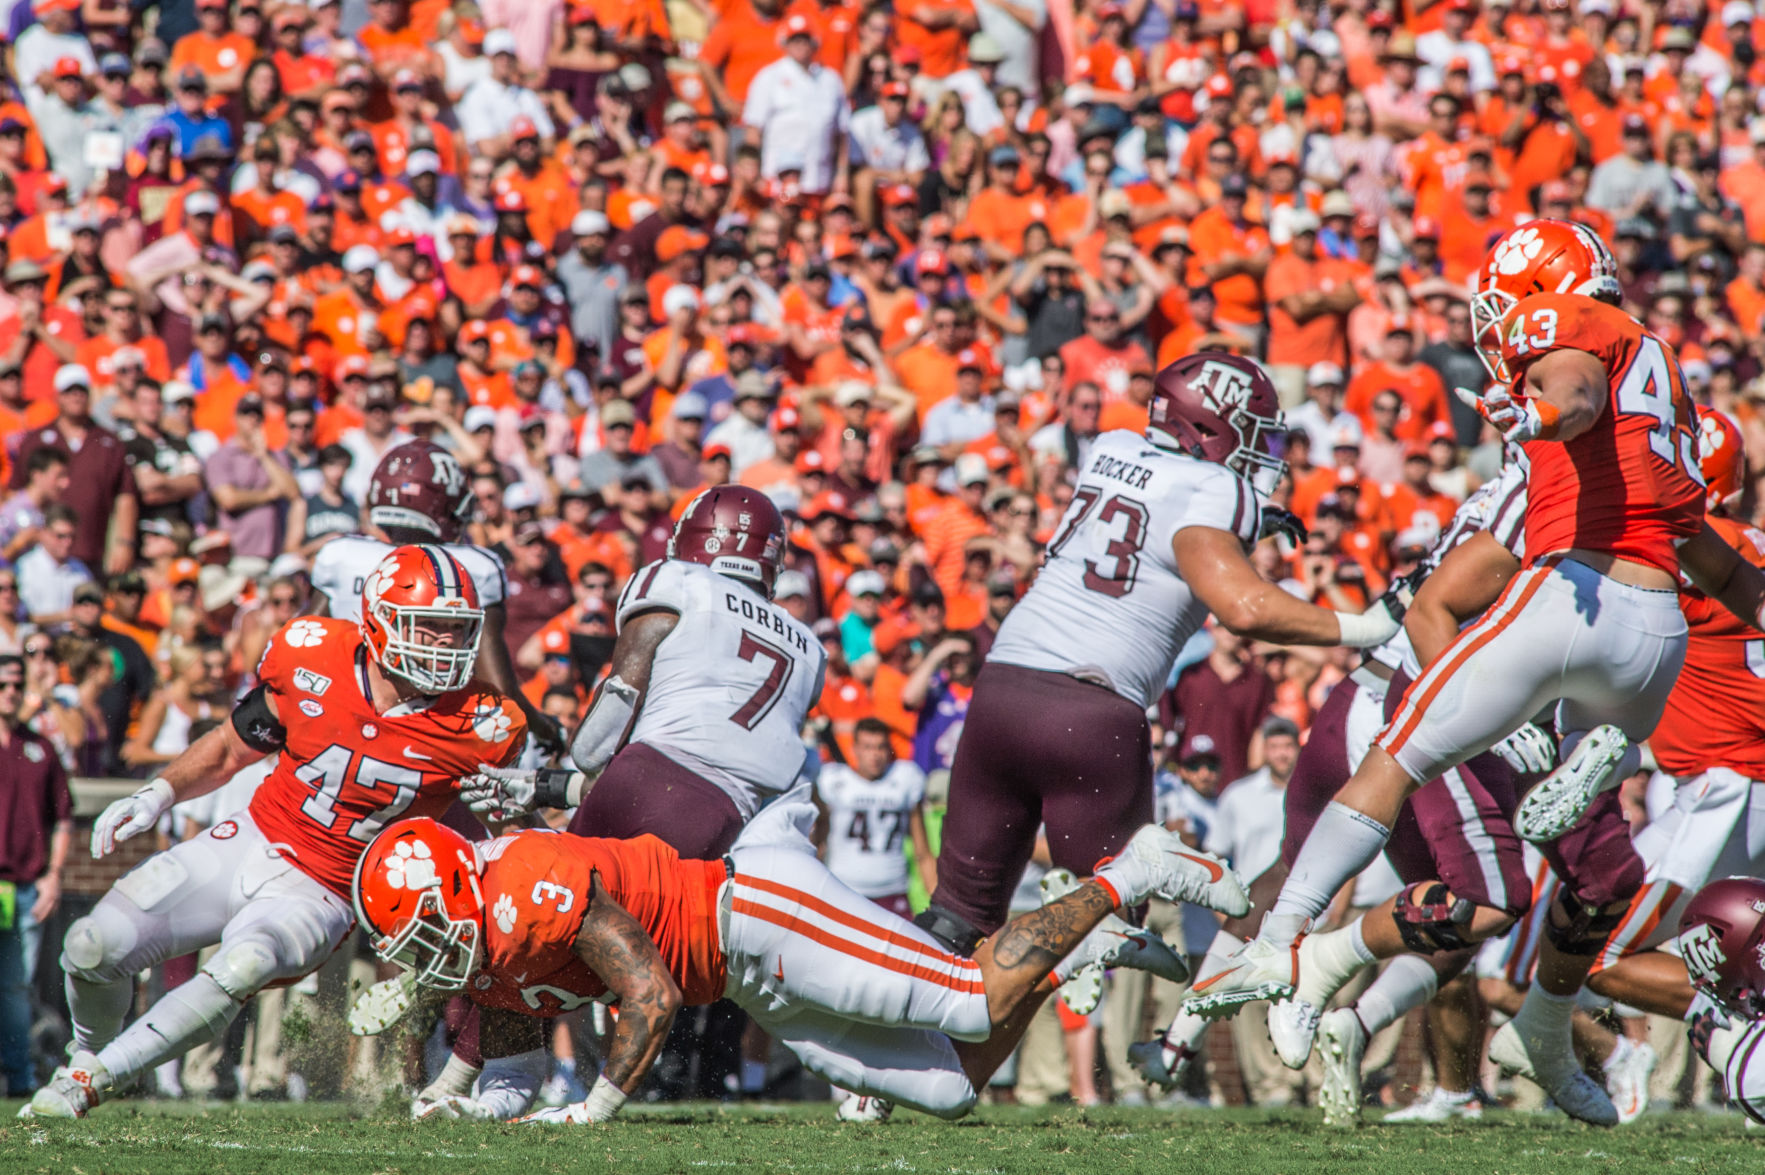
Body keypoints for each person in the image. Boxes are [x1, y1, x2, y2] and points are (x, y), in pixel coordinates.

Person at [1188, 220, 1765, 1125]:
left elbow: (1568, 393)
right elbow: (1715, 563)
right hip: (1654, 633)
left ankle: (1279, 941)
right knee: (1596, 860)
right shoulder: (1663, 375)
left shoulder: (1573, 340)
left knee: (1399, 752)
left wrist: (1536, 410)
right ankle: (1598, 759)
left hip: (1572, 592)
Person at [913, 352, 1407, 963]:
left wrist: (1249, 523)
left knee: (955, 919)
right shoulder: (1214, 486)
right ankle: (1098, 922)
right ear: (1206, 427)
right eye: (1249, 432)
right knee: (1113, 917)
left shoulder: (1111, 447)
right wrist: (1368, 625)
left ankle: (916, 1043)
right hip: (1090, 714)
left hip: (1001, 693)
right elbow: (1245, 608)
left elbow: (1151, 521)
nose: (1258, 451)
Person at [349, 792, 1244, 1122]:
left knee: (968, 1002)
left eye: (431, 925)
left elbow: (651, 995)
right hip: (740, 970)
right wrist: (449, 1096)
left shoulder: (528, 883)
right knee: (947, 1090)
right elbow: (512, 1026)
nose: (432, 950)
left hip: (755, 914)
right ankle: (1060, 953)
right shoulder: (483, 927)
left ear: (460, 883)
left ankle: (1134, 870)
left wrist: (592, 1111)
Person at [20, 545, 526, 1119]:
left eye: (456, 630)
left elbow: (500, 834)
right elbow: (233, 746)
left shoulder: (482, 723)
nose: (445, 644)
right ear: (380, 621)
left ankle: (88, 1085)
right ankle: (84, 1055)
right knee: (91, 945)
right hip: (252, 837)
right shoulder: (312, 653)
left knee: (246, 962)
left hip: (328, 889)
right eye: (428, 626)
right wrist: (158, 792)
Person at [308, 441, 562, 755]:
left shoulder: (341, 554)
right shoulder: (473, 567)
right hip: (426, 732)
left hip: (335, 720)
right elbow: (499, 688)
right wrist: (546, 729)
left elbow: (306, 639)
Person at [0, 653, 73, 1098]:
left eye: (16, 685)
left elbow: (62, 817)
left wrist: (55, 874)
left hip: (24, 886)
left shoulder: (40, 749)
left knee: (14, 987)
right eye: (2, 684)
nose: (10, 692)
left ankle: (20, 1076)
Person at [817, 716, 935, 921]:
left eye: (881, 747)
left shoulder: (905, 778)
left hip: (892, 890)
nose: (875, 755)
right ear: (854, 748)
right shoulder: (834, 781)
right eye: (868, 747)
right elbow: (819, 842)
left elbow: (922, 851)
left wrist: (936, 903)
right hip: (844, 889)